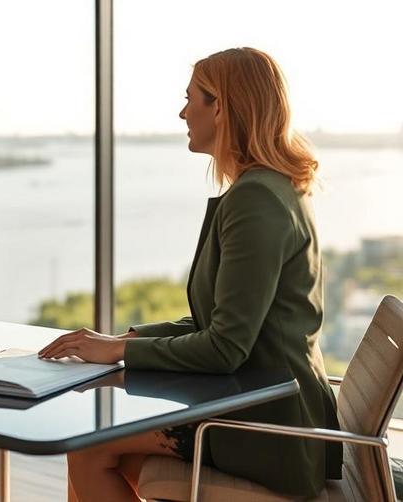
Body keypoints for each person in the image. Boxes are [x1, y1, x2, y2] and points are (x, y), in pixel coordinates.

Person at [39, 47, 342, 500]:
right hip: (270, 408)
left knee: (87, 449)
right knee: (108, 454)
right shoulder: (270, 188)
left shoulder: (255, 199)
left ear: (220, 106)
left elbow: (225, 347)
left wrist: (120, 349)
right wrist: (129, 338)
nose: (183, 113)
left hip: (270, 426)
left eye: (191, 99)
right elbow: (218, 326)